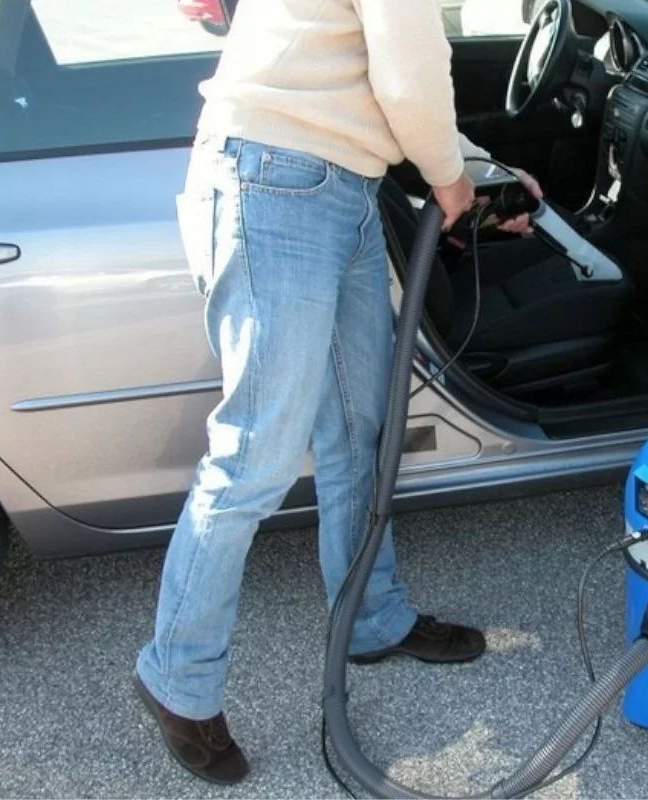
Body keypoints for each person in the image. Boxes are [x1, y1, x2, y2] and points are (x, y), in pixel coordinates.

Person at [134, 0, 542, 785]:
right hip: (276, 181)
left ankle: (371, 618)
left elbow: (383, 81)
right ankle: (176, 678)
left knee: (359, 432)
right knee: (254, 456)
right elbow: (409, 71)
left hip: (335, 186)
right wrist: (453, 179)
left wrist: (481, 171)